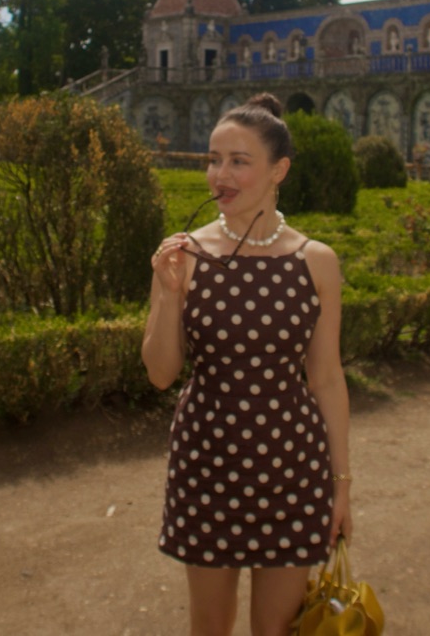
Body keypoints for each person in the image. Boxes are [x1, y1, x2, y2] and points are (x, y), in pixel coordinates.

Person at [142, 93, 352, 636]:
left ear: (279, 170)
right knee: (209, 626)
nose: (220, 175)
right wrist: (169, 294)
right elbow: (161, 374)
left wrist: (341, 485)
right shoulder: (184, 255)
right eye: (214, 159)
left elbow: (327, 379)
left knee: (277, 629)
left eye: (239, 161)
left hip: (293, 468)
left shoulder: (315, 261)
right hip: (206, 463)